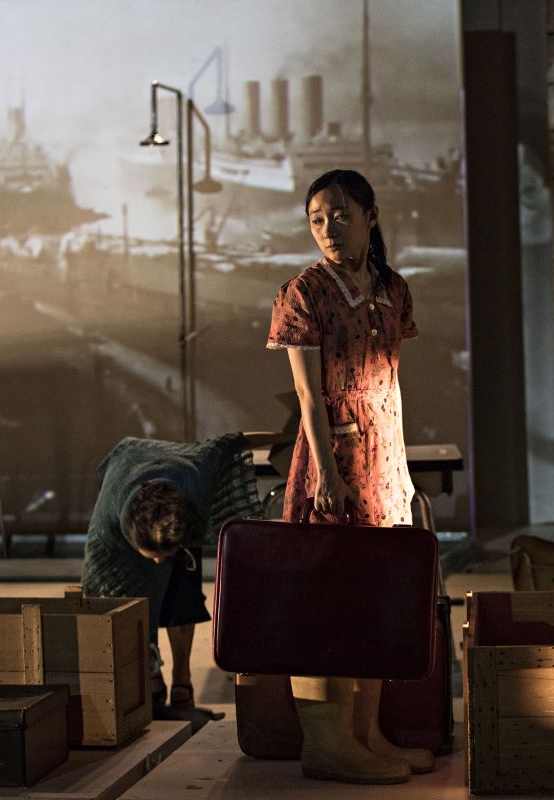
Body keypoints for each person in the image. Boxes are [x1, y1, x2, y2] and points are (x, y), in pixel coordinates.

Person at [266, 169, 434, 784]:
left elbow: (391, 384)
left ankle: (367, 736)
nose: (328, 228)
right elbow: (309, 397)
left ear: (370, 216)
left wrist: (401, 469)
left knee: (374, 598)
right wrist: (327, 475)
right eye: (317, 218)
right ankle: (328, 743)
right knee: (327, 599)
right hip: (332, 461)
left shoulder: (392, 289)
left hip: (383, 463)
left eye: (340, 214)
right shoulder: (304, 292)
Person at [81, 432, 276, 716]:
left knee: (183, 594)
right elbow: (97, 581)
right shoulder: (107, 525)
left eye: (164, 554)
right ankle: (150, 672)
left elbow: (231, 443)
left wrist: (291, 436)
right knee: (130, 601)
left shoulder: (195, 481)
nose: (159, 562)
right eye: (153, 555)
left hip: (178, 490)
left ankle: (182, 679)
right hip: (129, 467)